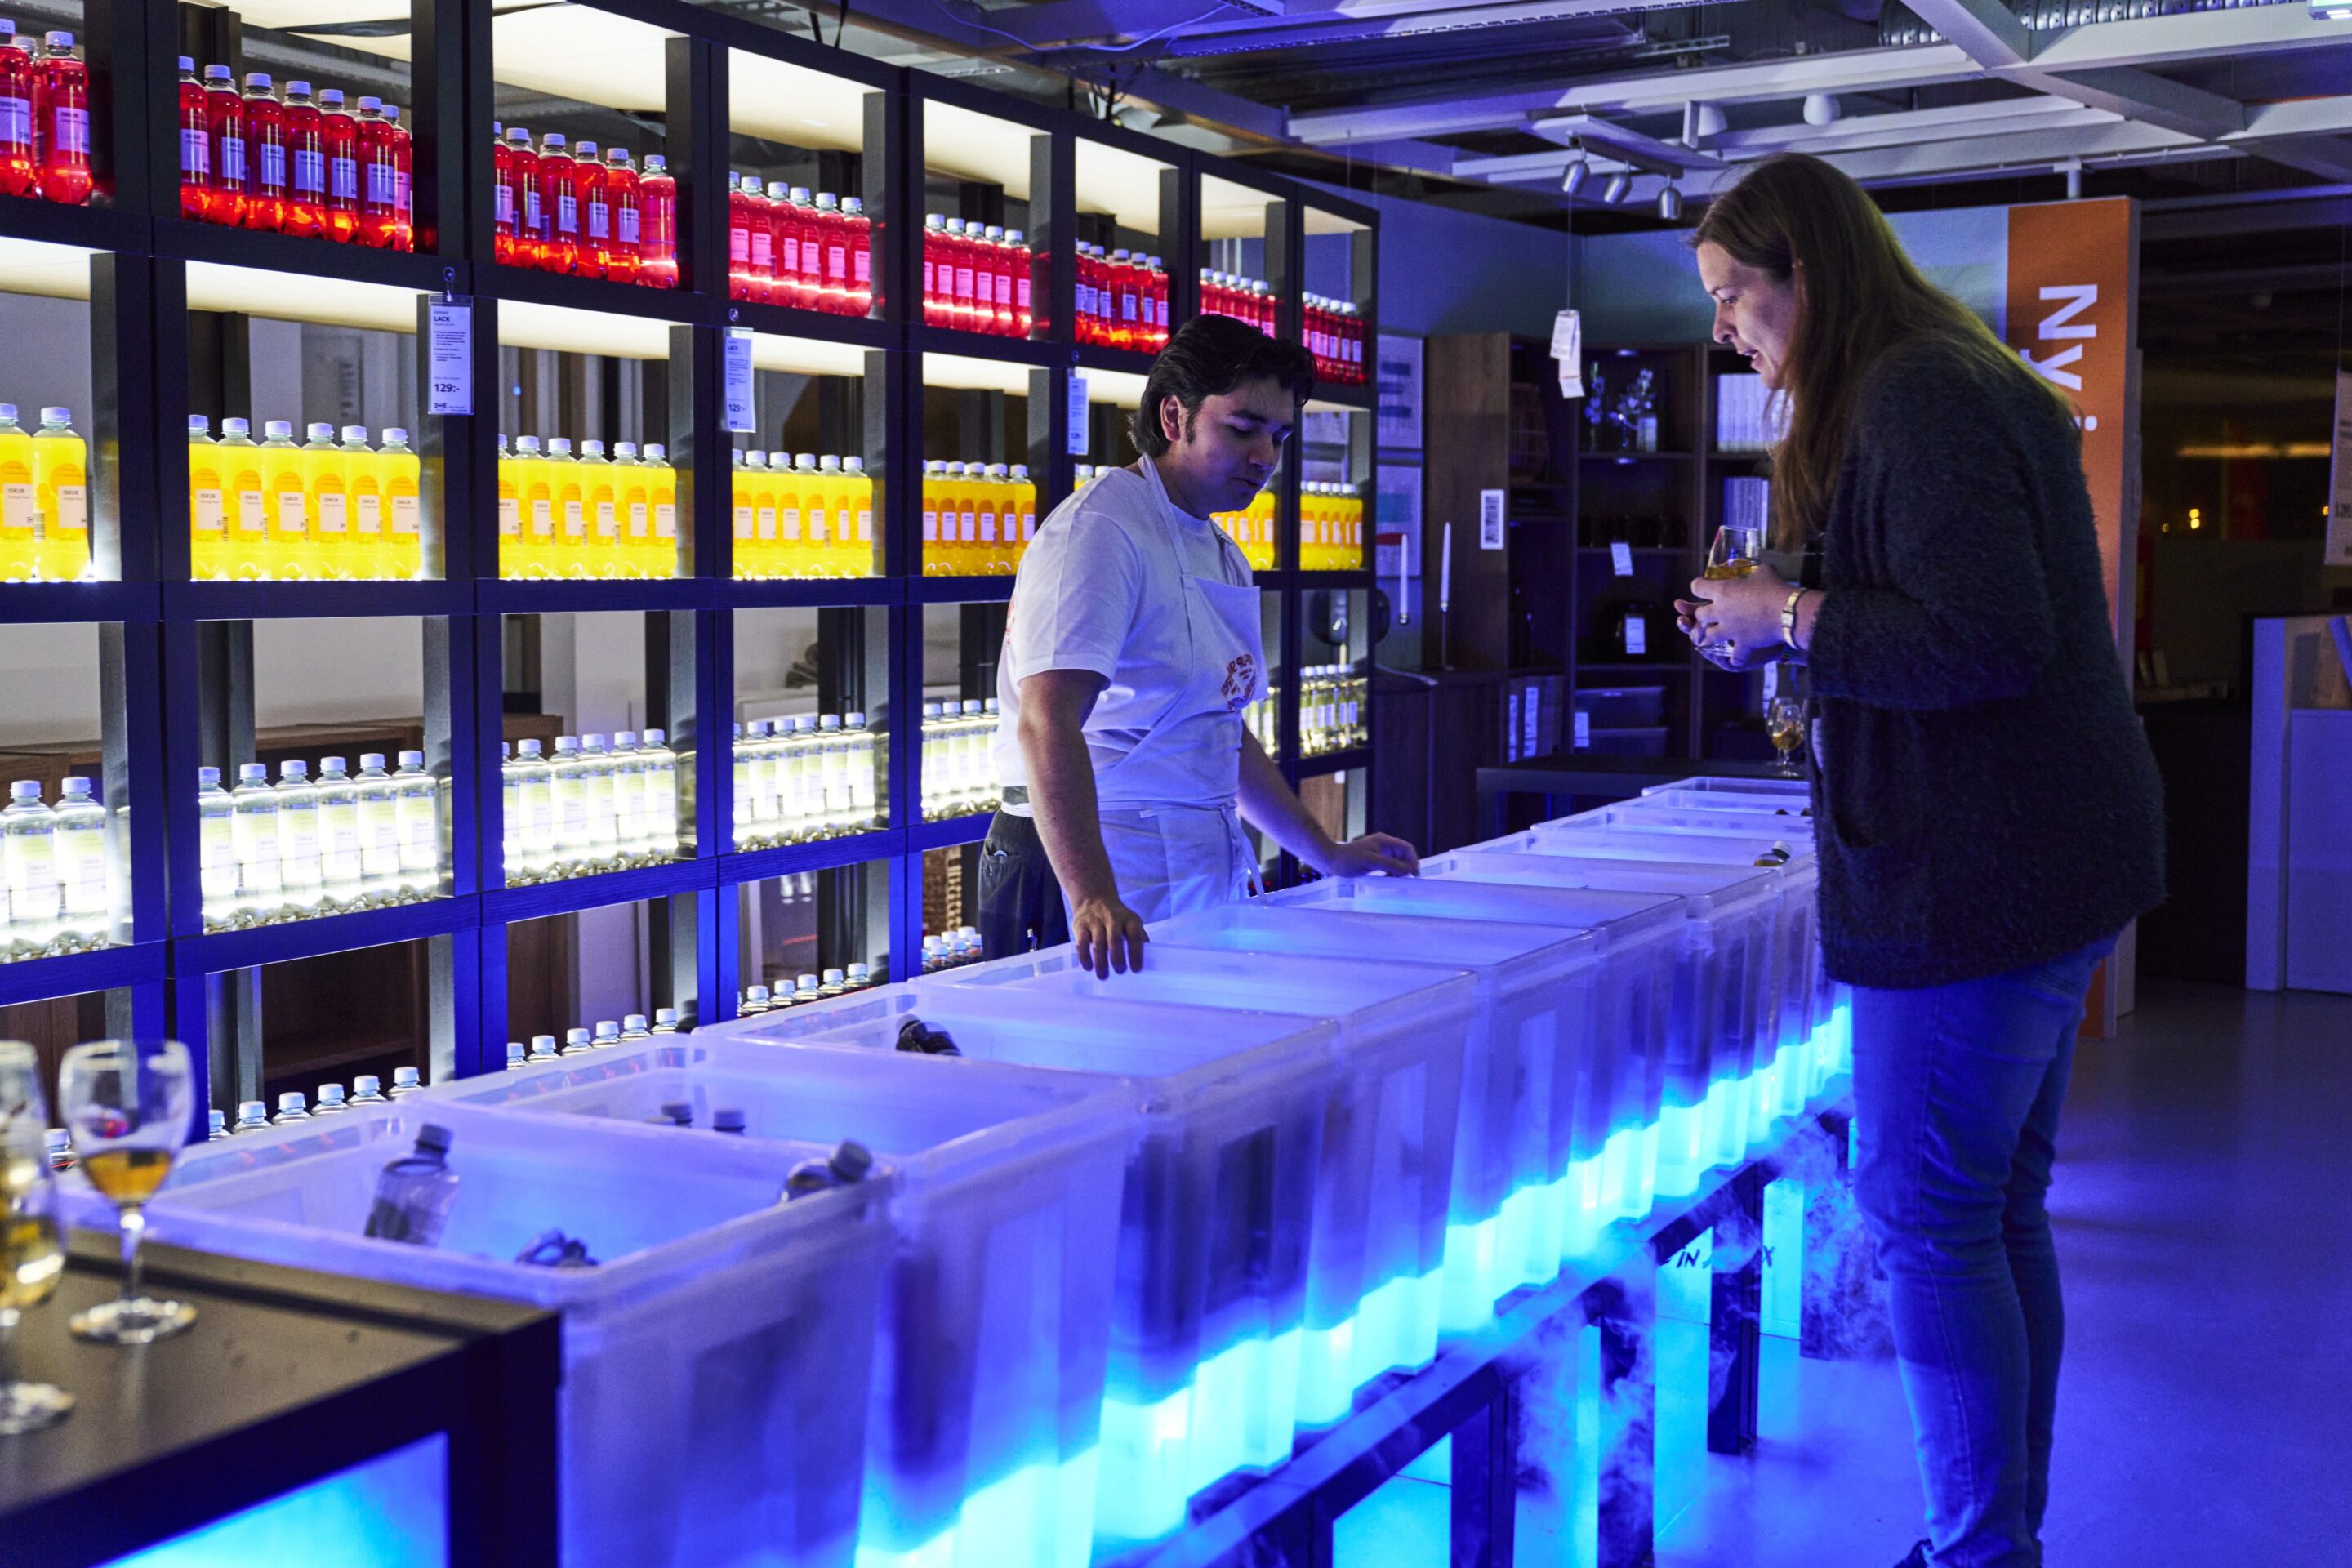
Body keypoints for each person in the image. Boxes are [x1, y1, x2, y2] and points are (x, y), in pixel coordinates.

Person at [1676, 154, 2164, 1568]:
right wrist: (1787, 608)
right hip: (2039, 864)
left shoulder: (1916, 395)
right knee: (1993, 1211)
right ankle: (1993, 1537)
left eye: (1736, 294)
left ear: (1810, 272)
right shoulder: (1941, 378)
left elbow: (1985, 640)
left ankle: (1977, 1551)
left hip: (1976, 881)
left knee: (1925, 1218)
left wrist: (1793, 616)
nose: (1725, 327)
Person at [978, 314, 1419, 978]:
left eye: (1279, 437)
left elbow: (1219, 729)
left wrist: (1326, 852)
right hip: (1084, 869)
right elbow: (1047, 721)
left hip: (1182, 867)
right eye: (1242, 429)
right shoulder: (1100, 531)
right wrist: (1091, 893)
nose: (1265, 457)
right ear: (1174, 416)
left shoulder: (1220, 549)